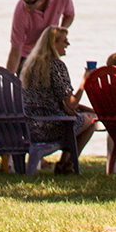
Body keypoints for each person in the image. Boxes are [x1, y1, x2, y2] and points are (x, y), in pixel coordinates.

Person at [19, 23, 96, 171]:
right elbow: (71, 104)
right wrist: (84, 83)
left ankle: (65, 164)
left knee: (82, 116)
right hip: (53, 127)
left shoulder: (29, 66)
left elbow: (57, 102)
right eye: (64, 40)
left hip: (31, 127)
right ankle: (66, 164)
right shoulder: (56, 66)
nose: (68, 44)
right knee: (91, 120)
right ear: (53, 44)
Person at [7, 0, 75, 73]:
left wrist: (59, 32)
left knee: (55, 85)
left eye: (30, 3)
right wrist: (7, 80)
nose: (26, 6)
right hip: (27, 56)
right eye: (24, 1)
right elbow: (15, 50)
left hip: (49, 54)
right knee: (25, 87)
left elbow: (69, 15)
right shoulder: (21, 11)